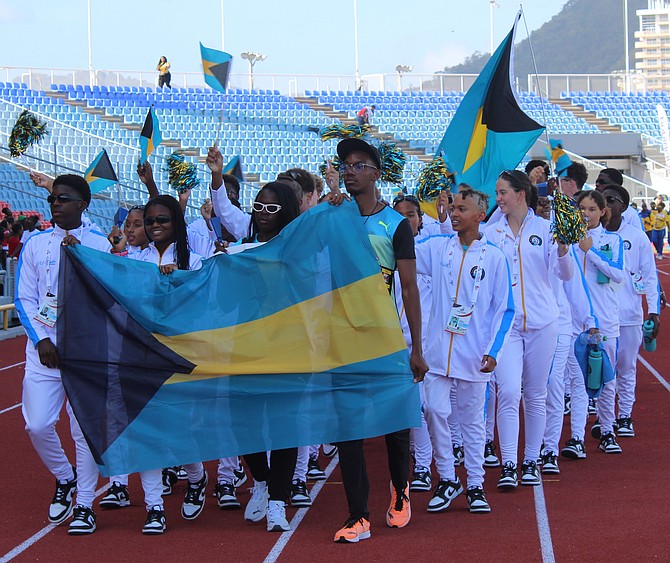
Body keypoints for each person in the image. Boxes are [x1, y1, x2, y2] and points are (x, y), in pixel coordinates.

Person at [323, 138, 428, 543]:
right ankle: (357, 515)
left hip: (385, 341)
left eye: (358, 165)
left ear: (376, 173)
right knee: (348, 428)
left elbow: (409, 288)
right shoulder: (335, 217)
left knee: (395, 424)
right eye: (345, 165)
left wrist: (416, 348)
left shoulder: (396, 225)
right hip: (343, 340)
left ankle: (400, 491)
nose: (349, 170)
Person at [14, 174, 112, 535]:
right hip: (43, 350)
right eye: (53, 198)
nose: (55, 203)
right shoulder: (35, 243)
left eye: (63, 198)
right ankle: (64, 477)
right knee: (36, 424)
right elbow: (24, 299)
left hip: (85, 352)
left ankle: (85, 503)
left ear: (83, 204)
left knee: (83, 430)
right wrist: (41, 341)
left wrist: (79, 256)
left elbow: (106, 299)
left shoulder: (98, 245)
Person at [416, 189, 514, 514]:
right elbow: (400, 253)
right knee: (433, 410)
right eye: (453, 207)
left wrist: (494, 351)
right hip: (437, 353)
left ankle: (474, 484)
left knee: (472, 422)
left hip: (474, 355)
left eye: (462, 208)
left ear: (479, 215)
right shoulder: (436, 249)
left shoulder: (496, 258)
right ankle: (447, 477)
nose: (454, 212)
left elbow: (505, 310)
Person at [484, 170, 572, 489]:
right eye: (497, 192)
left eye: (503, 192)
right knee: (507, 391)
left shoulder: (548, 229)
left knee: (535, 394)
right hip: (506, 326)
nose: (499, 198)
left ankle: (531, 460)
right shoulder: (491, 233)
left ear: (521, 194)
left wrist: (563, 248)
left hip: (543, 323)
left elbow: (565, 274)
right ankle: (509, 463)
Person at [602, 184, 660, 438]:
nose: (606, 204)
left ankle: (624, 415)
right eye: (602, 199)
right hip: (600, 317)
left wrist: (653, 312)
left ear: (622, 207)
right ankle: (605, 420)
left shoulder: (636, 237)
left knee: (625, 367)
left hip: (629, 317)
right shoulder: (593, 235)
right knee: (602, 369)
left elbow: (649, 276)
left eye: (611, 200)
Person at [573, 190, 625, 453]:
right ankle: (577, 437)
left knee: (605, 377)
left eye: (592, 209)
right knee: (575, 380)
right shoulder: (568, 240)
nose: (586, 213)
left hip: (605, 319)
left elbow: (617, 274)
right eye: (582, 208)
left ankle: (607, 431)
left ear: (602, 212)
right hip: (574, 320)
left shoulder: (612, 240)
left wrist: (590, 251)